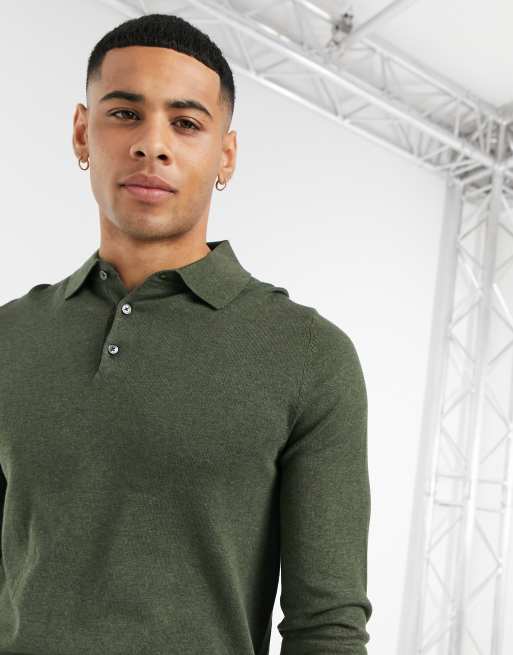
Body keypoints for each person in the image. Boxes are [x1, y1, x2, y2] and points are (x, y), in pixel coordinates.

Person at [0, 12, 372, 655]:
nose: (153, 144)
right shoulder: (12, 336)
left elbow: (328, 630)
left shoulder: (311, 357)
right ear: (82, 133)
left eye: (187, 123)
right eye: (124, 114)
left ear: (225, 155)